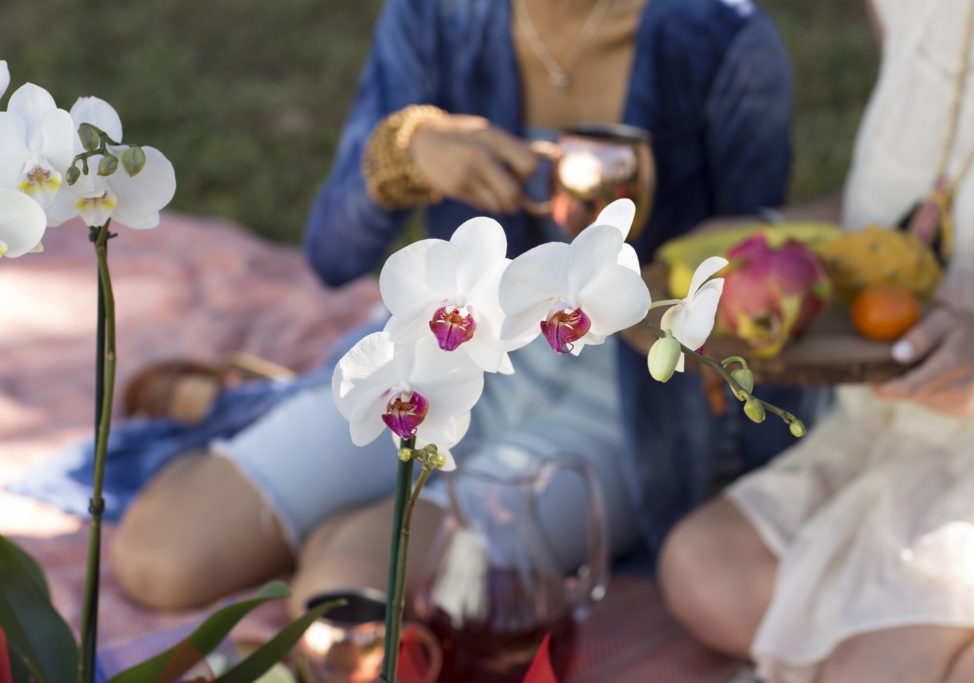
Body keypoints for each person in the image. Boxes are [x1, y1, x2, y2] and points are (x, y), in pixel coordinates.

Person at [109, 0, 823, 615]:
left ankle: (276, 431)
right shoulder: (438, 14)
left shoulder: (722, 39)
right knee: (162, 556)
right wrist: (409, 153)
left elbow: (754, 268)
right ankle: (261, 412)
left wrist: (681, 274)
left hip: (620, 397)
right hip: (450, 348)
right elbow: (332, 255)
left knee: (350, 587)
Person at [658, 0, 974, 680]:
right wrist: (758, 240)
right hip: (903, 429)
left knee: (873, 666)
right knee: (700, 568)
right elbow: (896, 211)